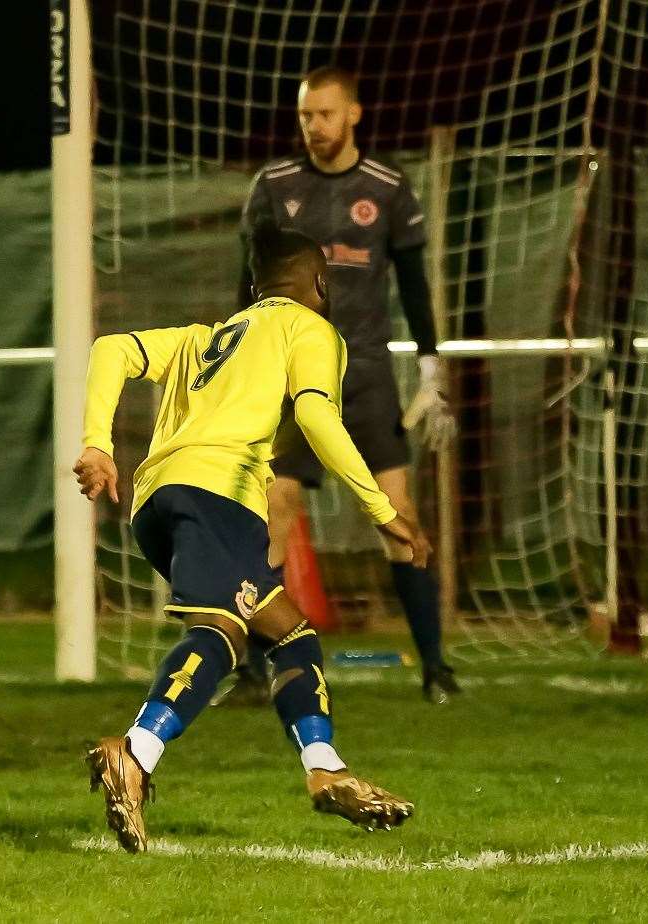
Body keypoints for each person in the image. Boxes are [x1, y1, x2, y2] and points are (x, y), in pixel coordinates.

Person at [75, 226, 428, 853]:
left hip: (158, 499)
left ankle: (325, 767)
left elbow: (111, 348)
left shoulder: (208, 337)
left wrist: (99, 441)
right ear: (320, 284)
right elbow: (317, 413)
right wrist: (380, 506)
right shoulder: (311, 331)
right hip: (220, 495)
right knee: (221, 633)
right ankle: (135, 753)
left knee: (289, 631)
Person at [236, 65, 460, 702]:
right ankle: (256, 668)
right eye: (306, 115)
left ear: (354, 114)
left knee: (398, 516)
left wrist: (429, 366)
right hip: (288, 383)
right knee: (272, 511)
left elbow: (414, 284)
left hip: (364, 380)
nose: (314, 126)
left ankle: (435, 667)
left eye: (326, 114)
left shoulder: (387, 188)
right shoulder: (274, 187)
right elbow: (245, 283)